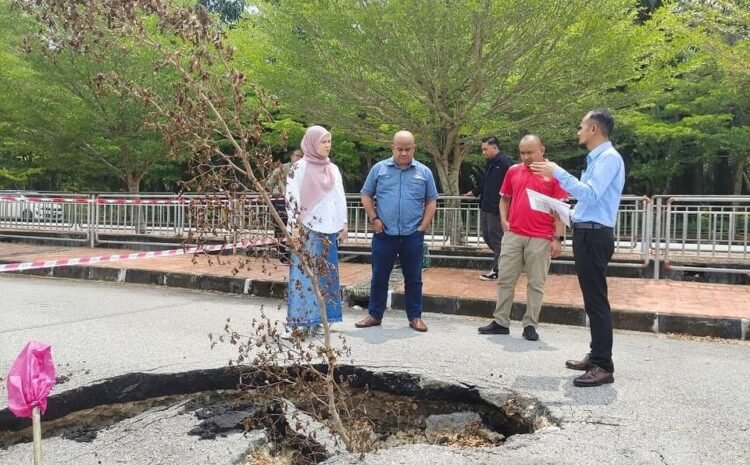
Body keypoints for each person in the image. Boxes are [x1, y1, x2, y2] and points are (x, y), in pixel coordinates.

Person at [531, 109, 625, 387]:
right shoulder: (597, 159)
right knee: (591, 298)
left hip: (594, 237)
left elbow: (591, 194)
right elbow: (589, 202)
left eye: (582, 126)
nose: (579, 131)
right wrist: (563, 210)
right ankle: (596, 355)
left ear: (594, 129)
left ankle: (603, 365)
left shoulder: (608, 159)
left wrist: (557, 172)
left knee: (596, 301)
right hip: (587, 232)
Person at [477, 135, 567, 341]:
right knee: (505, 279)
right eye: (522, 152)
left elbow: (560, 209)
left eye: (530, 152)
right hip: (514, 233)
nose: (526, 157)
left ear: (542, 150)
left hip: (541, 236)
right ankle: (500, 321)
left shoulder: (554, 174)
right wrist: (504, 220)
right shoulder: (513, 170)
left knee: (536, 282)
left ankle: (530, 324)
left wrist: (557, 238)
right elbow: (504, 198)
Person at [356, 130, 439, 332]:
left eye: (407, 149)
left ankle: (415, 317)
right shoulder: (379, 169)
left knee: (414, 278)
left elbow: (431, 201)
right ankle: (374, 314)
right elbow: (366, 195)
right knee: (379, 276)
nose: (403, 153)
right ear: (392, 147)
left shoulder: (424, 172)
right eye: (399, 149)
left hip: (413, 233)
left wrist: (422, 227)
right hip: (384, 233)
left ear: (414, 149)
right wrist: (374, 219)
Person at [285, 126, 347, 336]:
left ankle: (320, 320)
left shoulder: (333, 169)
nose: (328, 145)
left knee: (326, 275)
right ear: (312, 143)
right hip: (305, 228)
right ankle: (300, 322)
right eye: (323, 141)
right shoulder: (299, 168)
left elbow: (339, 197)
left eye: (329, 141)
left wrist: (343, 223)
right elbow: (291, 198)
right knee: (304, 274)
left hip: (328, 229)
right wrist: (293, 227)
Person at [462, 137, 513, 281]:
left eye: (485, 149)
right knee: (487, 236)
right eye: (482, 149)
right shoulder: (490, 164)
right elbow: (486, 183)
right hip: (486, 205)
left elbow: (511, 185)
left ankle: (498, 269)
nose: (483, 152)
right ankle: (504, 263)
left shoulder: (504, 163)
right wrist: (474, 192)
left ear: (495, 147)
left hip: (497, 208)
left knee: (496, 238)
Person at [268, 149, 303, 264]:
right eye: (297, 155)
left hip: (296, 203)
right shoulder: (282, 169)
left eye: (301, 156)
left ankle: (295, 254)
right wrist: (276, 192)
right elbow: (269, 183)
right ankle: (282, 255)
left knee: (295, 227)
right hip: (280, 201)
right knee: (280, 227)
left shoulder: (303, 170)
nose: (298, 158)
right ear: (292, 156)